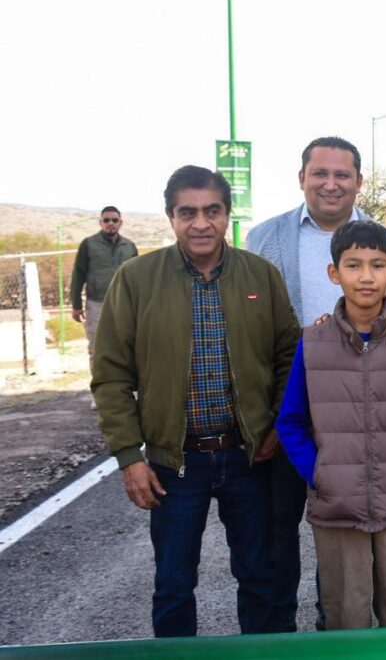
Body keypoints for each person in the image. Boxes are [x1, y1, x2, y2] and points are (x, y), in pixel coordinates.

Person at [91, 165, 300, 636]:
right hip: (173, 464)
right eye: (188, 213)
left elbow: (289, 353)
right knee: (173, 584)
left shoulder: (260, 275)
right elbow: (111, 374)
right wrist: (129, 456)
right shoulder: (136, 278)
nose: (200, 223)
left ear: (227, 215)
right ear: (171, 217)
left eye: (212, 211)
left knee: (260, 579)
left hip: (249, 457)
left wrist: (276, 428)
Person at [246, 135, 386, 631]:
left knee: (345, 543)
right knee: (277, 537)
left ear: (358, 181)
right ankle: (279, 636)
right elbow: (252, 334)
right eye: (320, 173)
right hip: (287, 412)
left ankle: (330, 630)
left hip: (360, 419)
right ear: (302, 179)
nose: (331, 184)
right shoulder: (263, 239)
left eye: (342, 175)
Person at [275, 220, 386, 630]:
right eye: (353, 265)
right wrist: (318, 473)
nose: (366, 276)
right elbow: (291, 421)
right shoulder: (312, 345)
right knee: (345, 616)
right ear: (334, 273)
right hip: (337, 506)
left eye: (377, 265)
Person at [70, 205, 138, 369]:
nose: (110, 223)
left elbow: (138, 278)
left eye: (114, 220)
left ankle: (125, 388)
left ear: (120, 223)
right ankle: (100, 389)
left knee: (126, 347)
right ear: (100, 222)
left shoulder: (129, 246)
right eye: (106, 220)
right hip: (97, 304)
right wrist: (76, 305)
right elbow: (78, 275)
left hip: (124, 304)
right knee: (96, 347)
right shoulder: (88, 244)